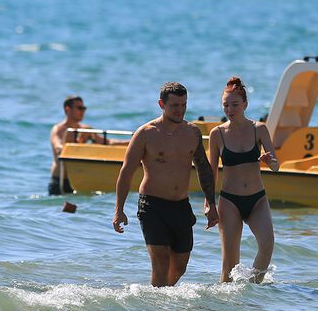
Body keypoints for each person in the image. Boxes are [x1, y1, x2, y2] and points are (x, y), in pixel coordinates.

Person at [113, 82, 219, 287]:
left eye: (184, 105)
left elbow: (204, 169)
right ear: (161, 104)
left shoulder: (192, 133)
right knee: (160, 260)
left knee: (180, 266)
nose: (180, 110)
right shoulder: (145, 133)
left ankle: (159, 298)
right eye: (175, 106)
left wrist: (211, 203)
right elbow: (126, 172)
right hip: (152, 206)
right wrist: (119, 210)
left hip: (181, 206)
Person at [207, 77, 279, 282]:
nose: (230, 109)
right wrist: (209, 203)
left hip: (257, 199)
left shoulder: (259, 129)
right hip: (229, 201)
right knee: (229, 265)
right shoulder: (217, 134)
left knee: (267, 246)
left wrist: (268, 160)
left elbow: (276, 166)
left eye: (235, 105)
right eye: (225, 105)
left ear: (245, 104)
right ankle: (222, 310)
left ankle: (251, 291)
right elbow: (211, 172)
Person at [49, 95, 116, 195]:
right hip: (60, 181)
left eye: (84, 108)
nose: (83, 111)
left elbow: (106, 142)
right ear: (67, 109)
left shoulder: (85, 129)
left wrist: (130, 142)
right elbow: (58, 147)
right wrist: (78, 147)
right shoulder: (58, 130)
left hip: (80, 183)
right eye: (80, 108)